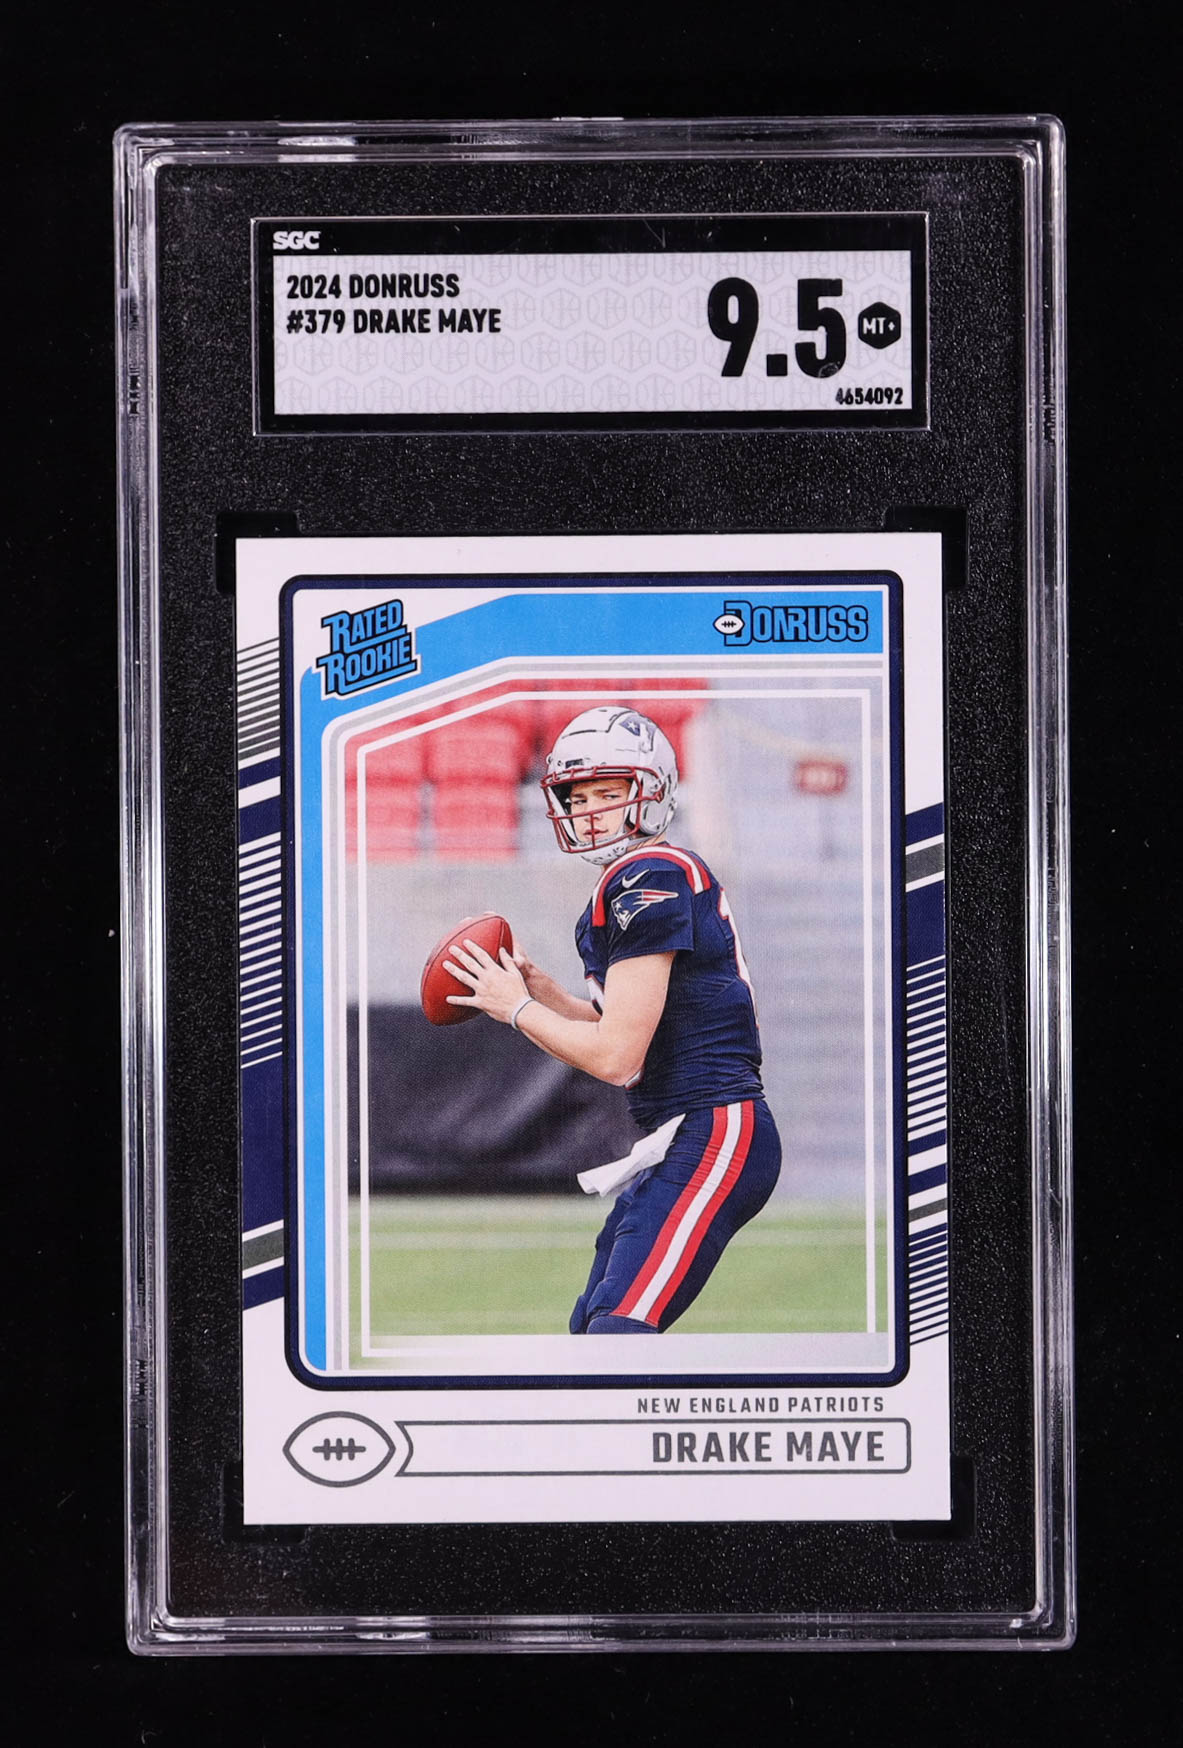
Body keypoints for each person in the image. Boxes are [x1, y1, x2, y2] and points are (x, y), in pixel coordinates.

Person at [443, 704, 781, 1333]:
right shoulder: (637, 879)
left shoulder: (649, 874)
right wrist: (542, 993)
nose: (589, 810)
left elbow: (617, 1057)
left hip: (713, 1129)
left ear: (651, 793)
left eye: (607, 792)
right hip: (686, 1132)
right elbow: (619, 1028)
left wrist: (515, 1009)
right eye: (578, 797)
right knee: (593, 1331)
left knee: (618, 1333)